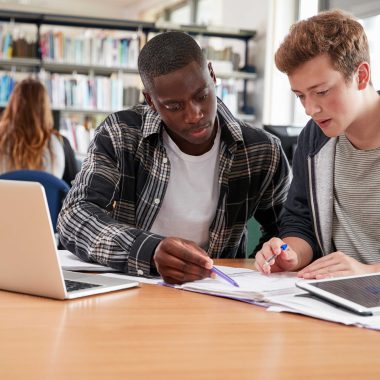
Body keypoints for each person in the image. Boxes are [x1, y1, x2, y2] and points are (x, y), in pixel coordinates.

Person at [57, 31, 290, 284]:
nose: (194, 114)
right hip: (133, 288)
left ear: (212, 76)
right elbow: (75, 215)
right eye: (174, 106)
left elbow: (289, 230)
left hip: (218, 292)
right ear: (151, 101)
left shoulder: (262, 149)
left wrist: (265, 267)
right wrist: (149, 251)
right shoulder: (121, 134)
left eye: (201, 95)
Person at [255, 10, 380, 279]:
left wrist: (368, 272)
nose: (310, 109)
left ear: (361, 76)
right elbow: (301, 221)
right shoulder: (315, 137)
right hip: (337, 299)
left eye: (322, 92)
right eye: (300, 96)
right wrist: (290, 254)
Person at [0, 78, 77, 183]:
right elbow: (77, 192)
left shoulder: (2, 140)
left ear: (13, 106)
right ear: (45, 108)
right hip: (49, 200)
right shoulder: (61, 144)